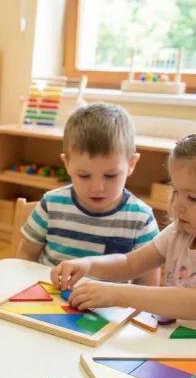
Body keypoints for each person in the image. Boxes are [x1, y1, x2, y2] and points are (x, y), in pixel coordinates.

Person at [52, 134, 196, 321]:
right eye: (175, 191)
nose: (177, 205)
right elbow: (129, 263)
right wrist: (88, 264)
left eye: (192, 198)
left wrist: (118, 293)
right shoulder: (178, 233)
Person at [17, 103, 159, 287]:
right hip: (49, 299)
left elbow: (148, 287)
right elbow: (25, 257)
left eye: (110, 175)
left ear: (131, 164)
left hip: (107, 309)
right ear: (67, 164)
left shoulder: (141, 218)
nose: (97, 188)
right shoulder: (51, 205)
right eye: (84, 175)